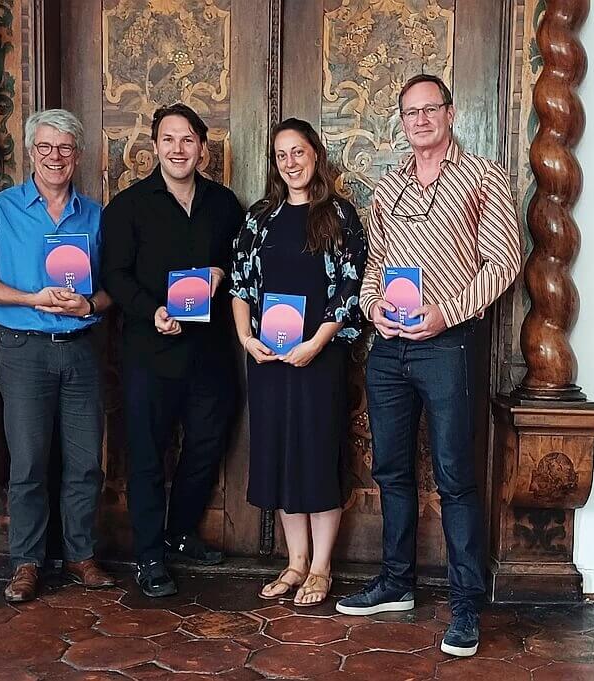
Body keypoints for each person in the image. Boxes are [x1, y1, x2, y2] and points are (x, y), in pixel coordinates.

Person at [334, 75, 523, 657]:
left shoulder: (484, 178)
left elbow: (503, 262)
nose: (419, 120)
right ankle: (397, 583)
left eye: (429, 109)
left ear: (451, 111)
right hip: (390, 348)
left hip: (449, 345)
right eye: (409, 112)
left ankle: (466, 602)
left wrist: (448, 313)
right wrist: (372, 310)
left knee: (454, 476)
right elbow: (372, 268)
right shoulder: (388, 185)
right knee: (390, 468)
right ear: (401, 121)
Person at [0, 108, 115, 602]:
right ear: (30, 153)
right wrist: (30, 298)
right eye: (45, 147)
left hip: (82, 351)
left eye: (65, 148)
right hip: (23, 352)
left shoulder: (95, 216)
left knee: (86, 462)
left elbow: (115, 288)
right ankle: (26, 563)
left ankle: (81, 556)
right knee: (27, 463)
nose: (54, 157)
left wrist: (89, 303)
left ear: (78, 155)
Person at [100, 103, 245, 597]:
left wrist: (223, 274)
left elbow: (240, 262)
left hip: (210, 352)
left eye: (188, 140)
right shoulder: (128, 206)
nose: (178, 149)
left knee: (205, 445)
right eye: (168, 139)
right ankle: (148, 555)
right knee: (146, 454)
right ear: (155, 147)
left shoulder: (225, 205)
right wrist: (151, 310)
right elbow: (114, 275)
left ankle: (181, 533)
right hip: (149, 351)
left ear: (203, 147)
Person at [230, 118, 368, 606]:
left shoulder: (339, 216)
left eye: (299, 152)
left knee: (314, 456)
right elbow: (240, 283)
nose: (291, 163)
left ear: (316, 156)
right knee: (281, 457)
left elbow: (351, 286)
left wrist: (318, 342)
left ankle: (322, 569)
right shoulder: (258, 218)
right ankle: (295, 563)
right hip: (267, 359)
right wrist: (246, 337)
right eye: (282, 155)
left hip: (319, 358)